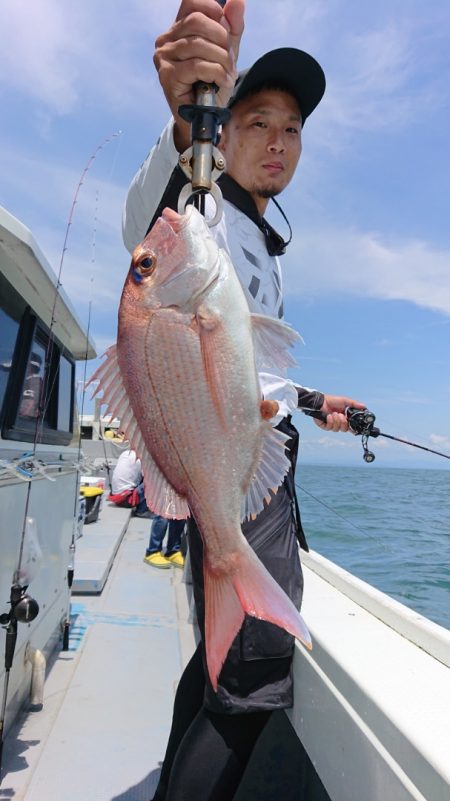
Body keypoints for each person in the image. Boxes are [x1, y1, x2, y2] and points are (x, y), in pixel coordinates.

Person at [122, 2, 367, 798]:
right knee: (254, 675)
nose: (276, 140)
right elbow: (148, 234)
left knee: (222, 660)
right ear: (224, 135)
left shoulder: (261, 240)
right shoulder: (202, 214)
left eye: (291, 128)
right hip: (232, 474)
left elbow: (247, 366)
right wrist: (189, 112)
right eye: (255, 120)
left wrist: (317, 399)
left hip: (254, 460)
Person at [109, 448, 151, 517]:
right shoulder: (142, 459)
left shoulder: (124, 454)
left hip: (115, 496)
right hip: (126, 500)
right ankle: (141, 511)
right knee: (152, 482)